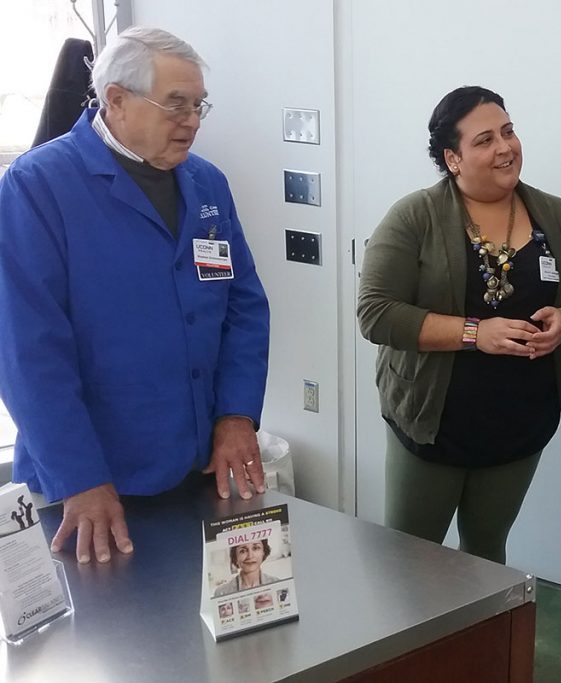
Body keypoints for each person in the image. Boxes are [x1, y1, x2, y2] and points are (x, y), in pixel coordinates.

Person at [0, 27, 270, 565]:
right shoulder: (39, 186)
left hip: (197, 466)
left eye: (198, 105)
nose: (191, 120)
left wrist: (237, 415)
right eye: (175, 105)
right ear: (115, 100)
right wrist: (81, 476)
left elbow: (243, 305)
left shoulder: (207, 184)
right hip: (92, 485)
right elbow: (27, 350)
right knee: (112, 642)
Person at [357, 86, 561, 564]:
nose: (505, 147)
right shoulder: (415, 218)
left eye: (509, 132)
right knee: (411, 560)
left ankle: (480, 639)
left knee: (484, 555)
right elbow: (375, 313)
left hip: (518, 430)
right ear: (453, 158)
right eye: (485, 140)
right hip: (432, 428)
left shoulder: (556, 218)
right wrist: (476, 333)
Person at [213, 540, 279, 597]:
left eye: (255, 548)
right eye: (243, 551)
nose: (250, 556)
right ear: (236, 557)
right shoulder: (221, 592)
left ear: (263, 552)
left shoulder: (277, 583)